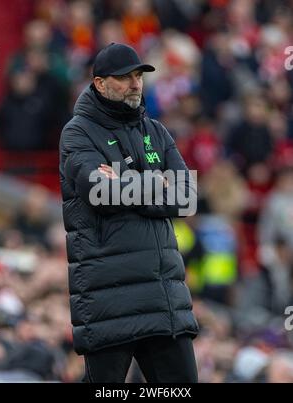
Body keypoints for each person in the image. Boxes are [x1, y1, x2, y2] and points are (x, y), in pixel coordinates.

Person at [59, 43, 199, 383]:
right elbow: (100, 193)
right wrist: (157, 183)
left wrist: (126, 181)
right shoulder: (77, 132)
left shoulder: (157, 131)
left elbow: (187, 198)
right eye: (124, 77)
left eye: (138, 76)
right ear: (100, 84)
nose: (135, 84)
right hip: (108, 301)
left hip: (163, 298)